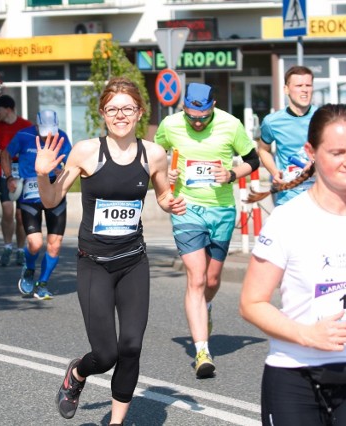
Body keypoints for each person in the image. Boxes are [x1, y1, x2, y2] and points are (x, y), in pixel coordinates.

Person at [240, 104, 346, 426]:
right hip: (295, 375)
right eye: (337, 152)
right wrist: (306, 335)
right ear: (311, 152)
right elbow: (251, 303)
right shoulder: (287, 220)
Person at [34, 77, 186, 424]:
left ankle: (116, 423)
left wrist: (171, 202)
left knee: (131, 347)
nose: (121, 115)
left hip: (133, 261)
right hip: (94, 264)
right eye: (113, 109)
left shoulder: (154, 154)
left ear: (139, 112)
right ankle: (77, 373)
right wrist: (43, 175)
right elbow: (52, 199)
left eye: (128, 109)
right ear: (103, 113)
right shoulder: (87, 151)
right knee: (105, 355)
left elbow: (162, 194)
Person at [153, 82, 259, 378]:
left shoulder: (230, 124)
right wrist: (164, 173)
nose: (197, 122)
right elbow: (154, 154)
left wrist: (231, 174)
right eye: (191, 117)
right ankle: (202, 352)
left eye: (203, 117)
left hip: (222, 210)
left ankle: (206, 307)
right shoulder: (170, 125)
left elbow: (254, 159)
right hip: (186, 208)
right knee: (196, 277)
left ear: (213, 107)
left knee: (212, 279)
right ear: (183, 109)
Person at [0, 109, 72, 300]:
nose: (48, 134)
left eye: (52, 129)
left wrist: (61, 172)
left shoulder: (62, 137)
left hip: (55, 196)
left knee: (55, 245)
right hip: (30, 196)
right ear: (37, 124)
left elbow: (71, 165)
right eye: (44, 129)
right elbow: (6, 155)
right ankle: (29, 268)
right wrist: (9, 177)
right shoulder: (23, 136)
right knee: (35, 243)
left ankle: (43, 283)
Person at [258, 65, 317, 206]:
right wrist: (274, 171)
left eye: (308, 85)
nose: (305, 90)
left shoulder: (325, 117)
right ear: (286, 89)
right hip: (288, 196)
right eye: (299, 85)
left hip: (319, 194)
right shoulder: (272, 121)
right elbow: (263, 150)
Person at [0, 94, 33, 267]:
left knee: (20, 216)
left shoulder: (26, 126)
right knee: (7, 211)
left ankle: (21, 249)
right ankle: (7, 246)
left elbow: (31, 149)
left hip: (22, 172)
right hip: (4, 173)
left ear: (8, 110)